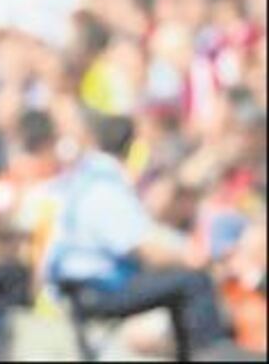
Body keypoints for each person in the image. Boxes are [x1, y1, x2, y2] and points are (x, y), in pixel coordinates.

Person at [44, 113, 231, 361]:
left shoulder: (83, 179)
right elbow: (142, 249)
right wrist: (192, 260)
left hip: (82, 288)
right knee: (194, 281)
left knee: (178, 282)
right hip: (98, 289)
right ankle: (211, 356)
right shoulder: (105, 185)